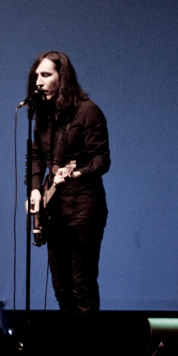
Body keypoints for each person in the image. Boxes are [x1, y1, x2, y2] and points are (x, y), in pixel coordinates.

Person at [28, 52, 110, 315]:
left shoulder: (88, 111)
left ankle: (90, 352)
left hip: (84, 210)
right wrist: (35, 190)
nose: (38, 82)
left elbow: (102, 160)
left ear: (62, 78)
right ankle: (71, 348)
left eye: (46, 75)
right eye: (36, 76)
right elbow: (37, 156)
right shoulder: (42, 116)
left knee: (81, 285)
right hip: (55, 211)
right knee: (61, 288)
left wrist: (76, 174)